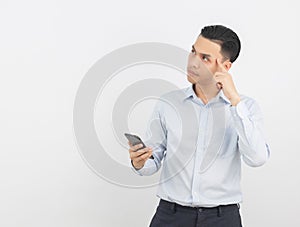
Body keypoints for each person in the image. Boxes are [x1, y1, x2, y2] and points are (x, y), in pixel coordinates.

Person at [128, 24, 270, 227]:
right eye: (193, 51)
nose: (193, 62)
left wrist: (234, 101)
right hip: (171, 215)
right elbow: (153, 159)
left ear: (225, 67)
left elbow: (257, 158)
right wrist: (140, 162)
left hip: (222, 218)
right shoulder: (168, 104)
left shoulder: (245, 108)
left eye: (205, 58)